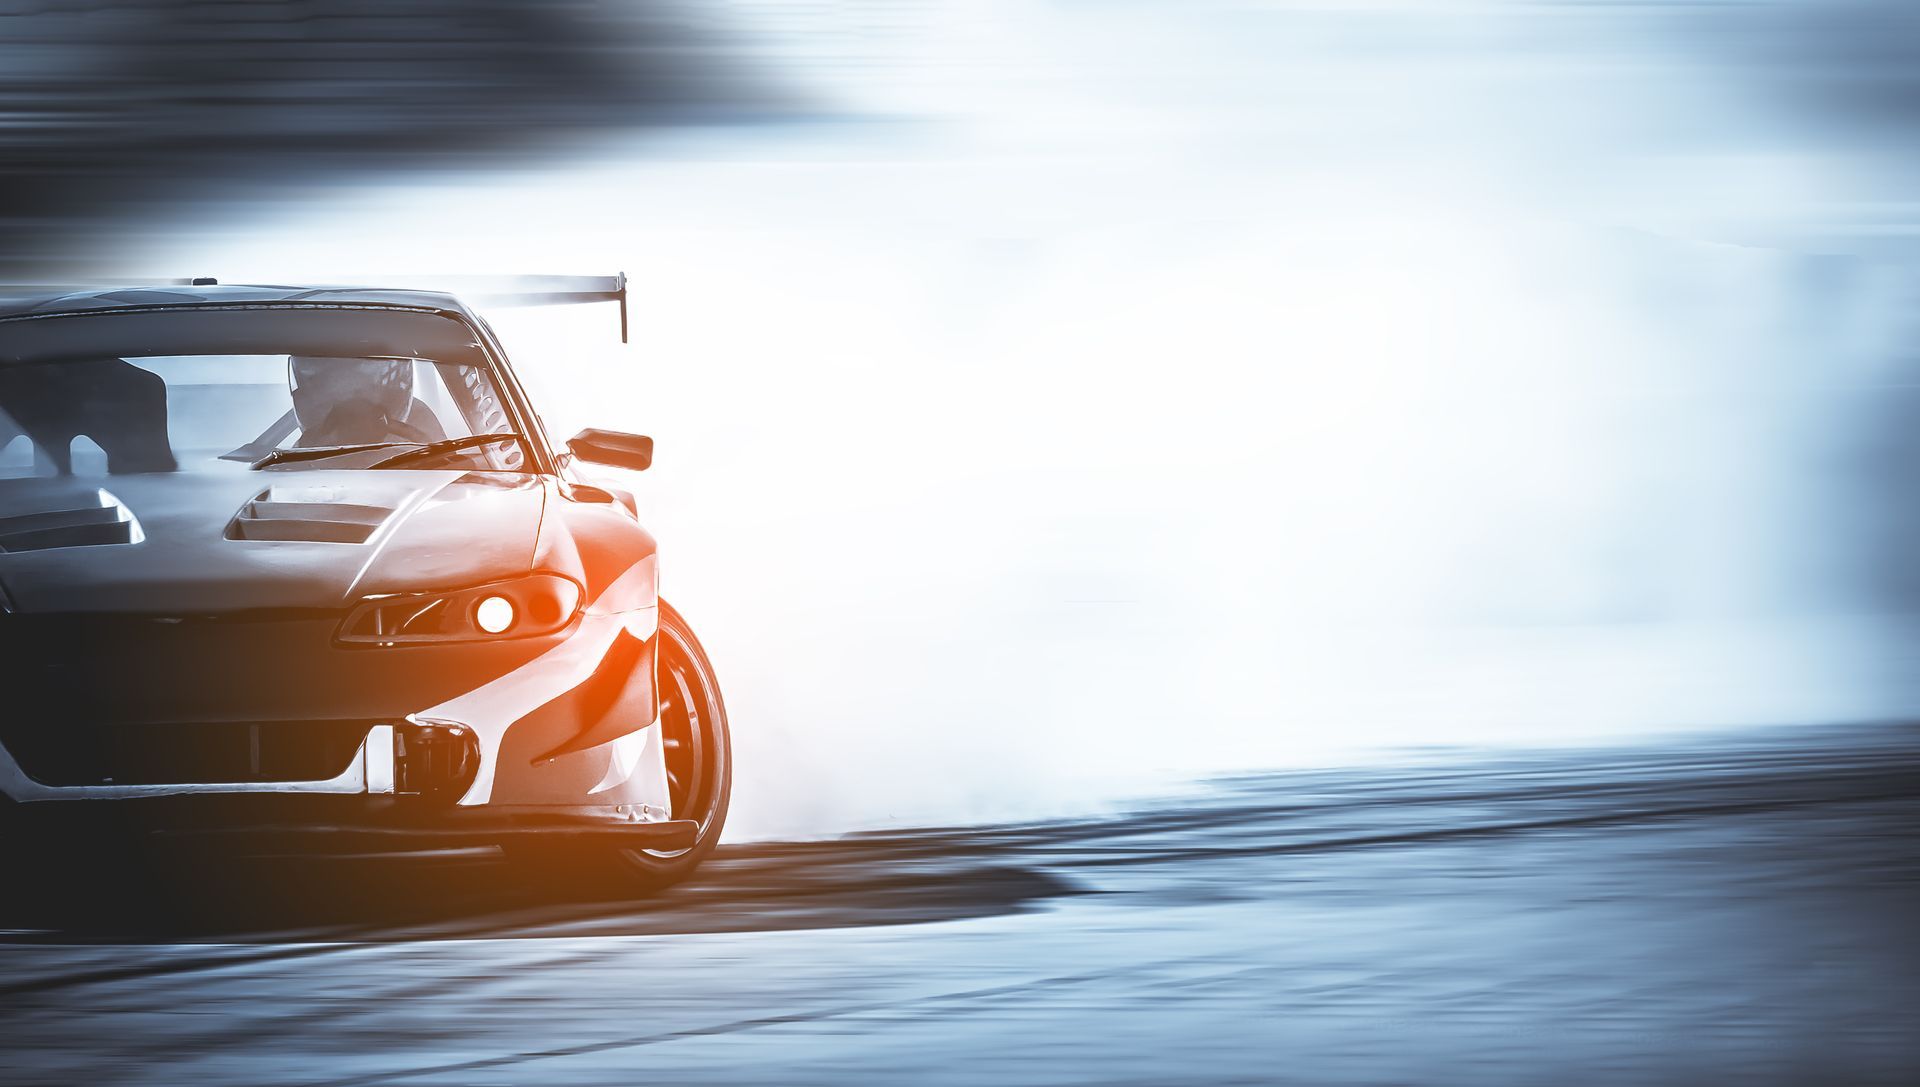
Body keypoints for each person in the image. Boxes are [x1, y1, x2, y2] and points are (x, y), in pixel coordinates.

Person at [288, 356, 446, 447]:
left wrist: (410, 434)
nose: (351, 386)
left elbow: (452, 472)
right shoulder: (314, 437)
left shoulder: (417, 416)